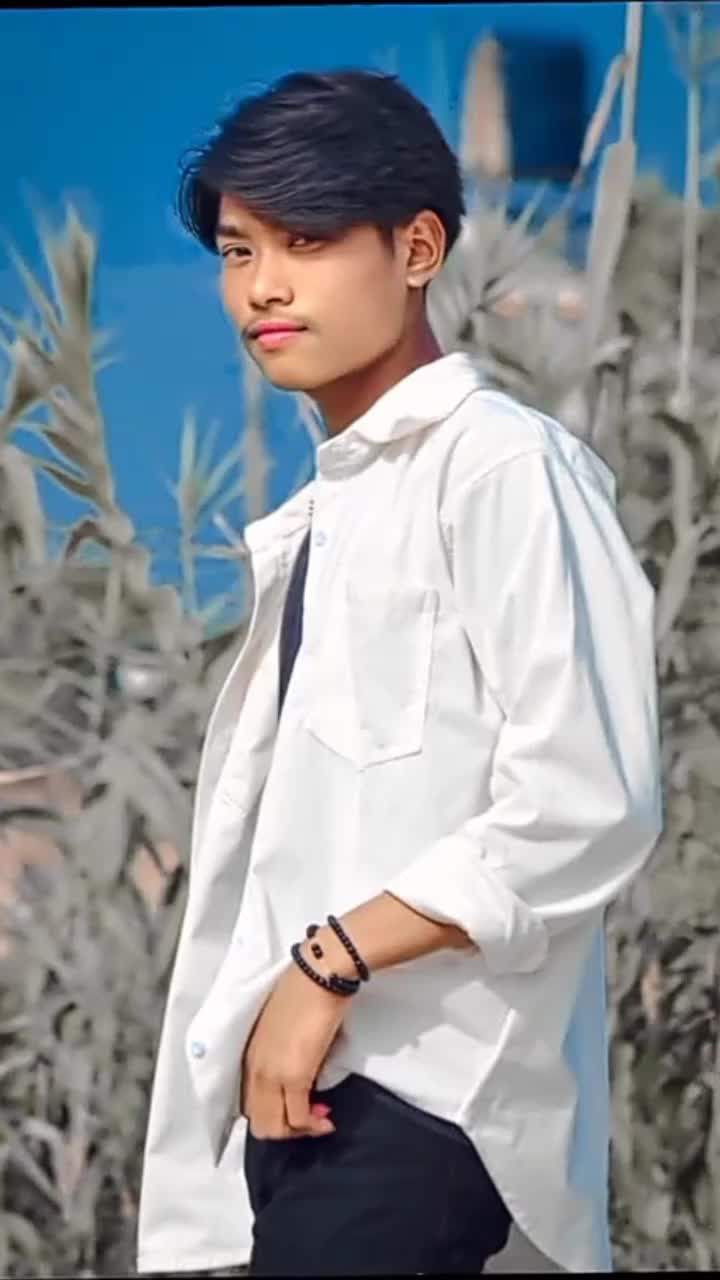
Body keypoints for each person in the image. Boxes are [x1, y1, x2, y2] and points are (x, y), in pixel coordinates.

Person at [137, 69, 662, 1277]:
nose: (263, 285)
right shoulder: (323, 517)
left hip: (429, 1105)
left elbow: (590, 795)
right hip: (306, 1112)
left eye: (308, 240)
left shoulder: (503, 466)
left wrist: (330, 962)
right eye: (239, 249)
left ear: (417, 247)